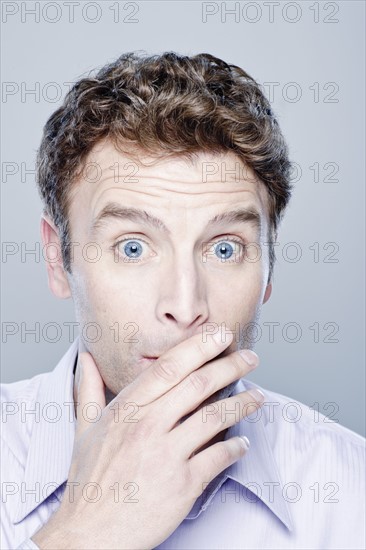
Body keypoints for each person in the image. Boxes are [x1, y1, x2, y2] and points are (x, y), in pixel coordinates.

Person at [1, 51, 364, 550]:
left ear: (269, 270)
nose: (185, 303)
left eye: (224, 248)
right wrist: (85, 534)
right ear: (57, 260)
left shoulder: (351, 491)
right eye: (132, 248)